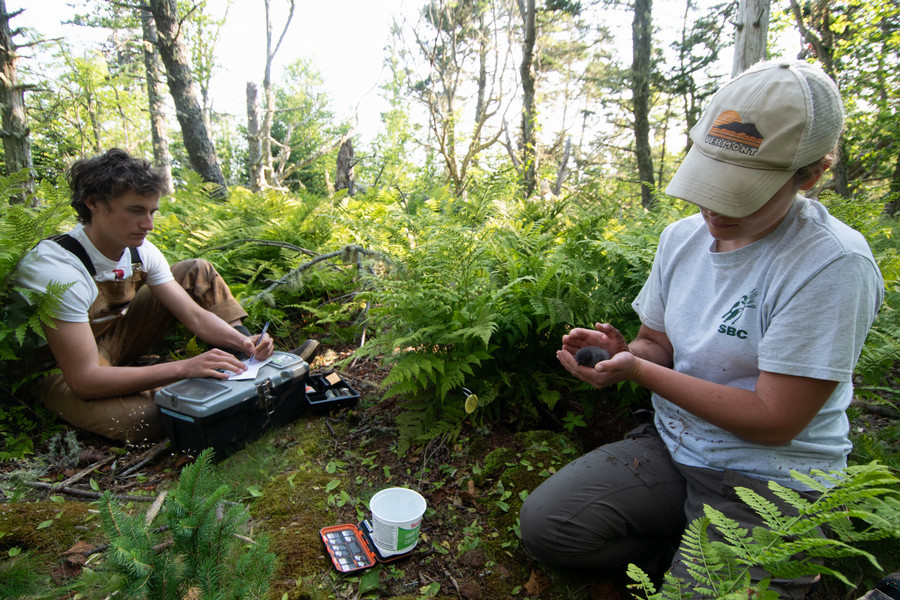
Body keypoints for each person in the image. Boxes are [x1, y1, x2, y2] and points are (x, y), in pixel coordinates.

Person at [518, 60, 884, 598]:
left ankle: (779, 572)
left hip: (772, 477)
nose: (714, 205)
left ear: (810, 174)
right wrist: (626, 352)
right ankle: (682, 553)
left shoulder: (831, 264)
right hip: (674, 444)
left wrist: (640, 371)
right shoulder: (682, 239)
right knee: (548, 528)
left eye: (743, 190)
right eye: (710, 178)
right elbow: (659, 344)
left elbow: (774, 420)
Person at [16, 148, 276, 443]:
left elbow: (193, 315)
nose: (149, 225)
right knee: (140, 421)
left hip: (109, 340)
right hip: (57, 369)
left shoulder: (140, 250)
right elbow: (85, 379)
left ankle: (247, 364)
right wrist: (184, 368)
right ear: (94, 203)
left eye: (152, 211)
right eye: (136, 211)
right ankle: (203, 384)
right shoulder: (57, 269)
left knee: (196, 270)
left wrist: (241, 340)